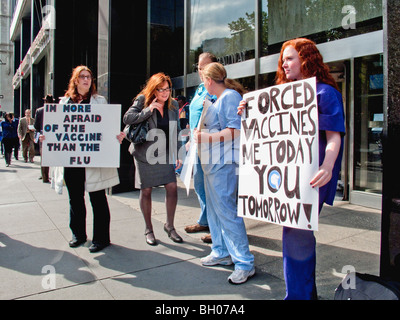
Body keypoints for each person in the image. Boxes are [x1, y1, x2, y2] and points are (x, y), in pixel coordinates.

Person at [239, 38, 345, 299]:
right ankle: (303, 293)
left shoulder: (325, 93)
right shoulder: (281, 95)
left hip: (312, 175)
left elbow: (334, 137)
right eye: (282, 60)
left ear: (307, 59)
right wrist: (248, 111)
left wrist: (328, 165)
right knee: (294, 231)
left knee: (296, 231)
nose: (284, 64)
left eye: (290, 58)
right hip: (287, 176)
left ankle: (299, 295)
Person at [41, 66, 125, 253]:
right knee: (75, 199)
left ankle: (101, 238)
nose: (86, 80)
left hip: (94, 160)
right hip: (72, 161)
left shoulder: (99, 102)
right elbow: (56, 129)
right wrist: (47, 137)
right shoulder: (64, 104)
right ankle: (78, 235)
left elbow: (108, 128)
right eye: (82, 77)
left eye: (89, 77)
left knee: (98, 198)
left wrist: (116, 136)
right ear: (75, 80)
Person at [194, 62, 255, 285]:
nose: (203, 84)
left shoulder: (228, 96)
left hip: (223, 164)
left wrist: (204, 138)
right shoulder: (218, 99)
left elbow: (235, 131)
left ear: (209, 80)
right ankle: (221, 251)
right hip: (213, 164)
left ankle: (244, 263)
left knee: (227, 212)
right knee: (214, 210)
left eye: (203, 80)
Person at [123, 72, 183, 246]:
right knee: (146, 190)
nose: (165, 93)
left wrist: (178, 153)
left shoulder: (172, 105)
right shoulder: (143, 100)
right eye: (161, 89)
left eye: (168, 89)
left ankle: (170, 226)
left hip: (163, 152)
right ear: (154, 89)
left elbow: (177, 130)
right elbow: (127, 118)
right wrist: (149, 110)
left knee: (172, 186)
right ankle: (149, 229)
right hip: (144, 153)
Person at [184, 52, 217, 244]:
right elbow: (195, 114)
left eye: (205, 67)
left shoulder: (216, 87)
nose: (201, 70)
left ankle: (216, 227)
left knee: (212, 187)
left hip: (211, 144)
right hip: (195, 142)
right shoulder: (198, 88)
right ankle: (205, 221)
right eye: (198, 67)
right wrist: (190, 137)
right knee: (199, 184)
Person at [35, 94, 55, 182]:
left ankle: (45, 176)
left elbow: (36, 126)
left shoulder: (39, 111)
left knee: (44, 157)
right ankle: (54, 176)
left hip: (44, 135)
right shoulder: (56, 110)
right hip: (55, 135)